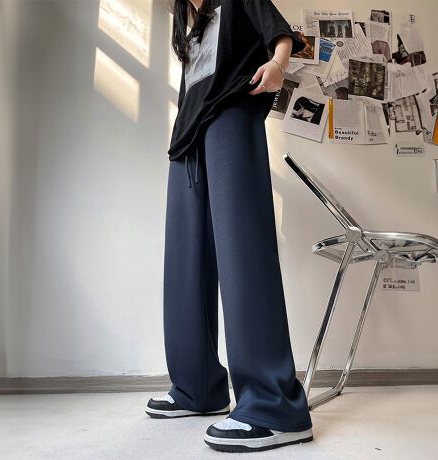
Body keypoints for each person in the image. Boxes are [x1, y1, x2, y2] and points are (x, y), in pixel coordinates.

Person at [145, 0, 313, 453]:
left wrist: (277, 65)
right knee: (185, 264)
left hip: (232, 118)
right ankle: (197, 387)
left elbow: (279, 33)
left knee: (243, 255)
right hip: (187, 138)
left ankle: (275, 407)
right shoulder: (188, 23)